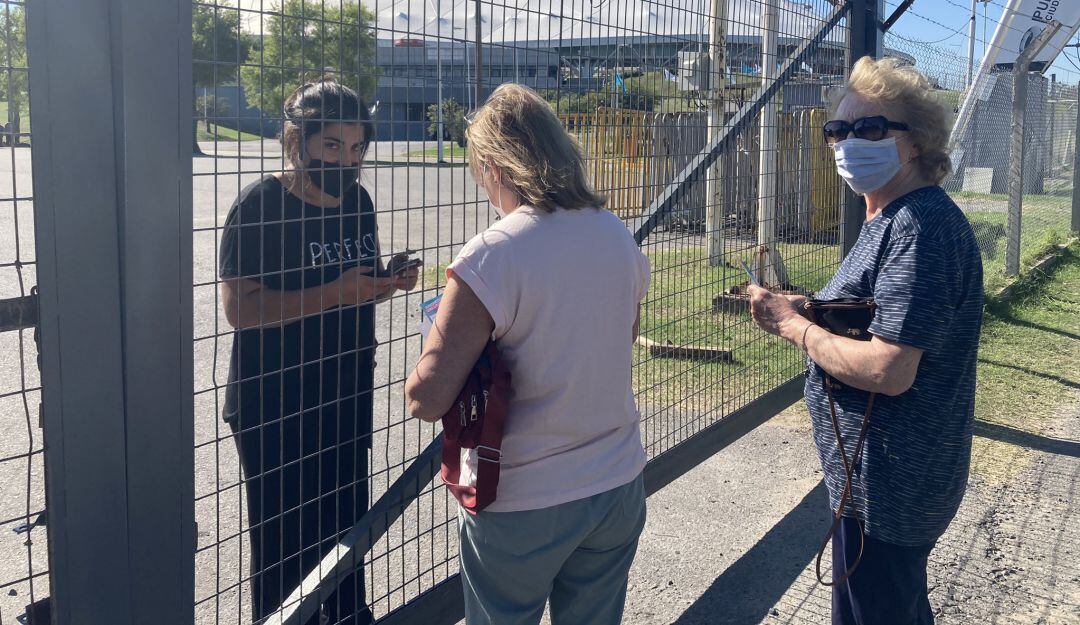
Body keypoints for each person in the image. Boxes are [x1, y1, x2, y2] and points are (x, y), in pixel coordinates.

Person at [749, 57, 983, 625]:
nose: (849, 142)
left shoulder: (917, 228)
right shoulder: (889, 218)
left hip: (890, 486)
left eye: (872, 128)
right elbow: (881, 316)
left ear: (916, 144)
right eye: (839, 130)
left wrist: (793, 325)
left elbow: (890, 368)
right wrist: (820, 312)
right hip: (879, 478)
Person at [404, 83, 650, 625]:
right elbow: (621, 336)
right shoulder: (617, 236)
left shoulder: (494, 253)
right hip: (616, 482)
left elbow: (426, 397)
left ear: (493, 163)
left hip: (525, 497)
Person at [219, 78, 420, 625]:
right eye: (331, 145)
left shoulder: (357, 201)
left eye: (356, 148)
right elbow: (240, 309)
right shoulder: (260, 205)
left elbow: (352, 281)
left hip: (344, 391)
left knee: (347, 527)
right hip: (276, 402)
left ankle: (351, 617)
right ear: (297, 141)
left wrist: (384, 280)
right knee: (285, 543)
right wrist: (336, 293)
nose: (346, 160)